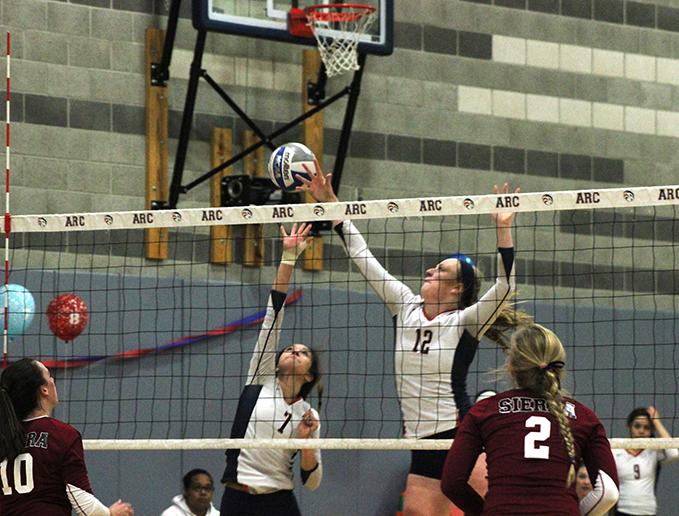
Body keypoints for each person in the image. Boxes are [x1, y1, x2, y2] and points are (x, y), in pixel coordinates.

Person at [300, 168, 531, 516]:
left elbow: (505, 288)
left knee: (487, 509)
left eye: (441, 271)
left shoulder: (465, 321)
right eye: (433, 267)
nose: (430, 271)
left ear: (457, 289)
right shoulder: (404, 305)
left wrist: (503, 229)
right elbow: (363, 258)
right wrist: (331, 202)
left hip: (458, 433)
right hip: (420, 438)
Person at [440, 324, 619, 515]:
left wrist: (486, 511)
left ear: (511, 366)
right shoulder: (584, 417)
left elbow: (452, 483)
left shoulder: (484, 411)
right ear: (558, 366)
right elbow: (608, 492)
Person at [220, 223, 322, 516]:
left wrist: (304, 443)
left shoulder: (309, 415)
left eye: (303, 353)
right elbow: (273, 315)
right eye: (290, 348)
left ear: (309, 375)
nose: (293, 351)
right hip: (239, 498)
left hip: (278, 501)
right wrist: (288, 258)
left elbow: (312, 481)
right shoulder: (260, 379)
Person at [0, 358, 134, 516]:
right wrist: (110, 513)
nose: (53, 380)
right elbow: (84, 505)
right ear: (44, 389)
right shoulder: (62, 434)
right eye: (49, 375)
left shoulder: (3, 436)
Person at [613, 406, 678, 515]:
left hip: (647, 510)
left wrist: (656, 422)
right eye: (637, 426)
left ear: (651, 430)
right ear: (629, 426)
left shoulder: (653, 451)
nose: (641, 431)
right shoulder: (616, 451)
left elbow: (674, 454)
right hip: (623, 509)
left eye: (646, 427)